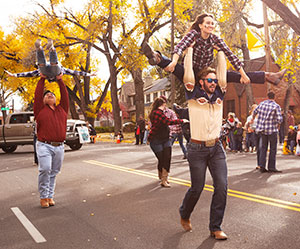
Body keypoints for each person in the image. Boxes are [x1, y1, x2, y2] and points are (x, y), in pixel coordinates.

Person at [142, 13, 286, 87]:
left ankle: (269, 76)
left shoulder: (215, 39)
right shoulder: (194, 35)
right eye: (207, 23)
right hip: (189, 70)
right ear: (200, 25)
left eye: (212, 23)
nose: (211, 25)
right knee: (174, 68)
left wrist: (243, 74)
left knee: (230, 75)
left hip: (206, 72)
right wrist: (174, 61)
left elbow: (231, 55)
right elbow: (180, 46)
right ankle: (156, 57)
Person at [178, 67, 228, 240]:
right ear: (201, 82)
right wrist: (189, 48)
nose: (214, 83)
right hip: (197, 149)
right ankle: (185, 212)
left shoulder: (219, 96)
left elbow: (224, 72)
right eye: (210, 80)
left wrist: (220, 49)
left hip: (216, 148)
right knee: (197, 188)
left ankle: (215, 227)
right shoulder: (193, 97)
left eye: (215, 80)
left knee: (221, 187)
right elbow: (183, 73)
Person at [34, 73, 69, 208]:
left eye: (52, 95)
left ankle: (50, 196)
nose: (50, 95)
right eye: (47, 95)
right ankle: (43, 197)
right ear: (43, 100)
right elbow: (37, 95)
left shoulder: (62, 109)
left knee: (54, 172)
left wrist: (60, 80)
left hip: (59, 146)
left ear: (55, 99)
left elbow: (65, 95)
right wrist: (42, 78)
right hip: (44, 145)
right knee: (45, 169)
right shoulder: (40, 110)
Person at [5, 39, 96, 82]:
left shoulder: (42, 74)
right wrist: (89, 74)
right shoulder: (61, 72)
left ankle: (43, 49)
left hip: (50, 69)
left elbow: (28, 74)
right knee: (45, 65)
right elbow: (76, 72)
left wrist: (14, 75)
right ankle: (43, 49)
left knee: (44, 65)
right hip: (54, 69)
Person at [148, 97, 188, 187]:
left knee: (167, 158)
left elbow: (169, 121)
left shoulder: (163, 112)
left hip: (166, 138)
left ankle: (164, 179)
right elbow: (167, 121)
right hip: (156, 140)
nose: (166, 105)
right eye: (164, 103)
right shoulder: (157, 113)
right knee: (162, 159)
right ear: (162, 104)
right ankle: (161, 175)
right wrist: (182, 121)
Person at [252, 92, 283, 173]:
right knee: (273, 149)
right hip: (272, 130)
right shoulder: (276, 106)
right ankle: (271, 167)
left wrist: (253, 119)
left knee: (263, 148)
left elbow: (254, 111)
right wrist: (278, 125)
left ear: (267, 97)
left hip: (262, 130)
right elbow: (280, 119)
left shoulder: (261, 104)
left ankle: (262, 166)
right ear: (274, 97)